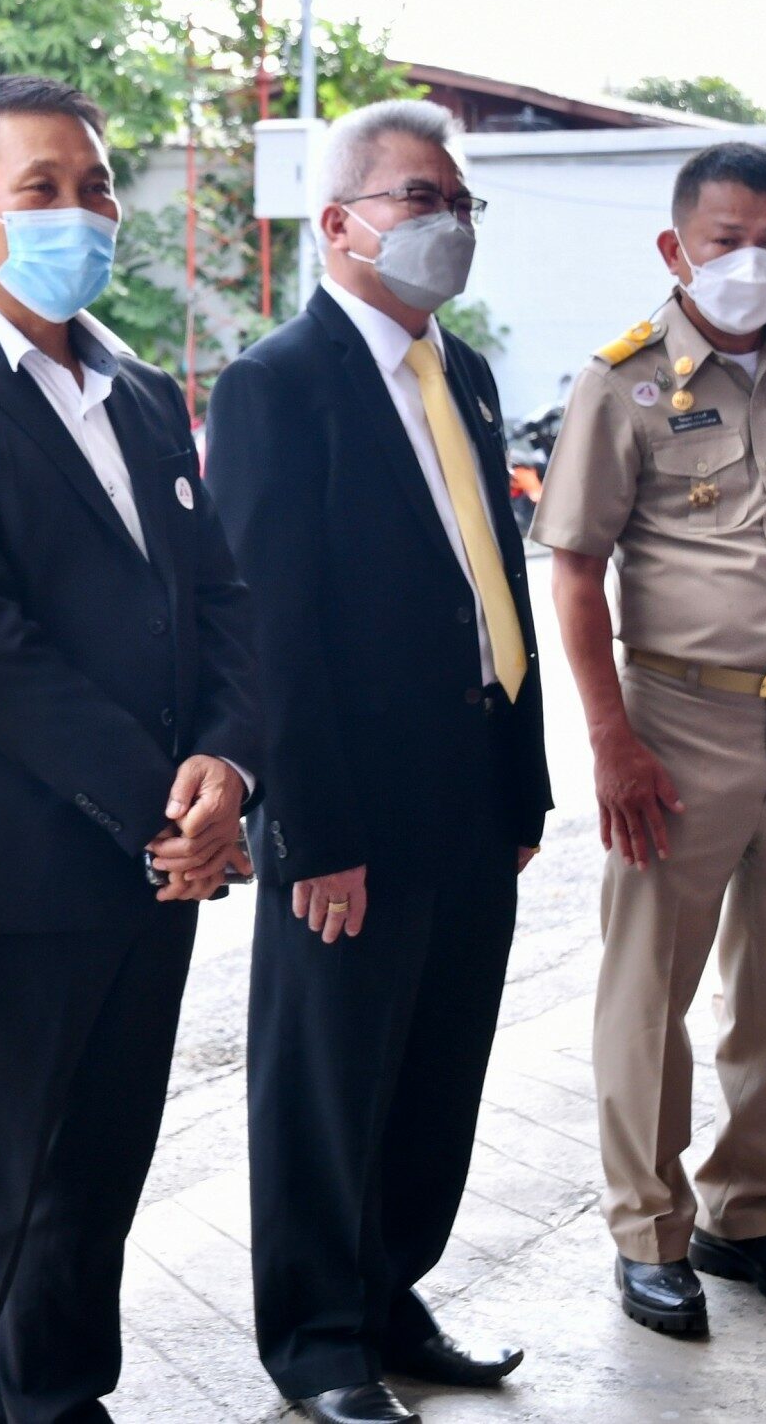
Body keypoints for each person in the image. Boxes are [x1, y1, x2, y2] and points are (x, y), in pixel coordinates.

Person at [0, 74, 261, 1423]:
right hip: (17, 874)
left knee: (93, 1187)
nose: (78, 212)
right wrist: (169, 806)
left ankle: (63, 1400)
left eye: (94, 186)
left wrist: (230, 768)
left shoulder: (142, 392)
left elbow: (220, 603)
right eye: (40, 189)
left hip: (155, 874)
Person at [205, 99, 551, 1424]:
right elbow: (272, 628)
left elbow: (492, 582)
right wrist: (312, 831)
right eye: (419, 197)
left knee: (434, 1069)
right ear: (337, 221)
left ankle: (391, 1294)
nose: (446, 222)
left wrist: (521, 782)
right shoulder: (278, 384)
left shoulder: (464, 374)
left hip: (471, 790)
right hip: (351, 802)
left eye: (458, 202)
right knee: (327, 1079)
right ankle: (316, 1338)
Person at [533, 143, 766, 1338]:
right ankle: (648, 1231)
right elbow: (575, 572)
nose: (752, 262)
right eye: (724, 240)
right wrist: (610, 740)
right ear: (674, 248)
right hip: (675, 720)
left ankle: (750, 1214)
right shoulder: (621, 382)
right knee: (650, 989)